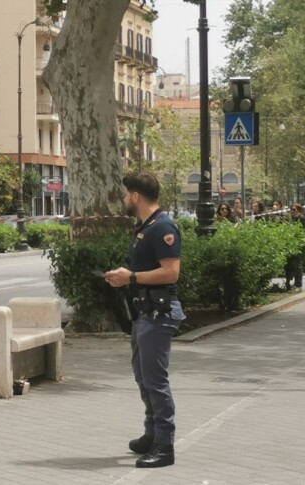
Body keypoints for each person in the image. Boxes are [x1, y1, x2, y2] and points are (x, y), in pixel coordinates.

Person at [104, 172, 185, 469]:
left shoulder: (163, 227)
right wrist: (125, 278)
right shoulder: (146, 227)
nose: (125, 199)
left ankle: (165, 445)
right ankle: (152, 433)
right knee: (143, 376)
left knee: (155, 380)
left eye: (126, 194)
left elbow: (171, 272)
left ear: (136, 196)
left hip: (159, 314)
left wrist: (133, 276)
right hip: (144, 313)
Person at [285, 203, 305, 290]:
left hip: (299, 243)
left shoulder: (302, 219)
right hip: (291, 243)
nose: (292, 211)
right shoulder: (292, 219)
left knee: (298, 264)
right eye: (291, 209)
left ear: (299, 210)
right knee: (290, 264)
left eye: (294, 209)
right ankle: (289, 282)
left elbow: (304, 231)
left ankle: (298, 283)